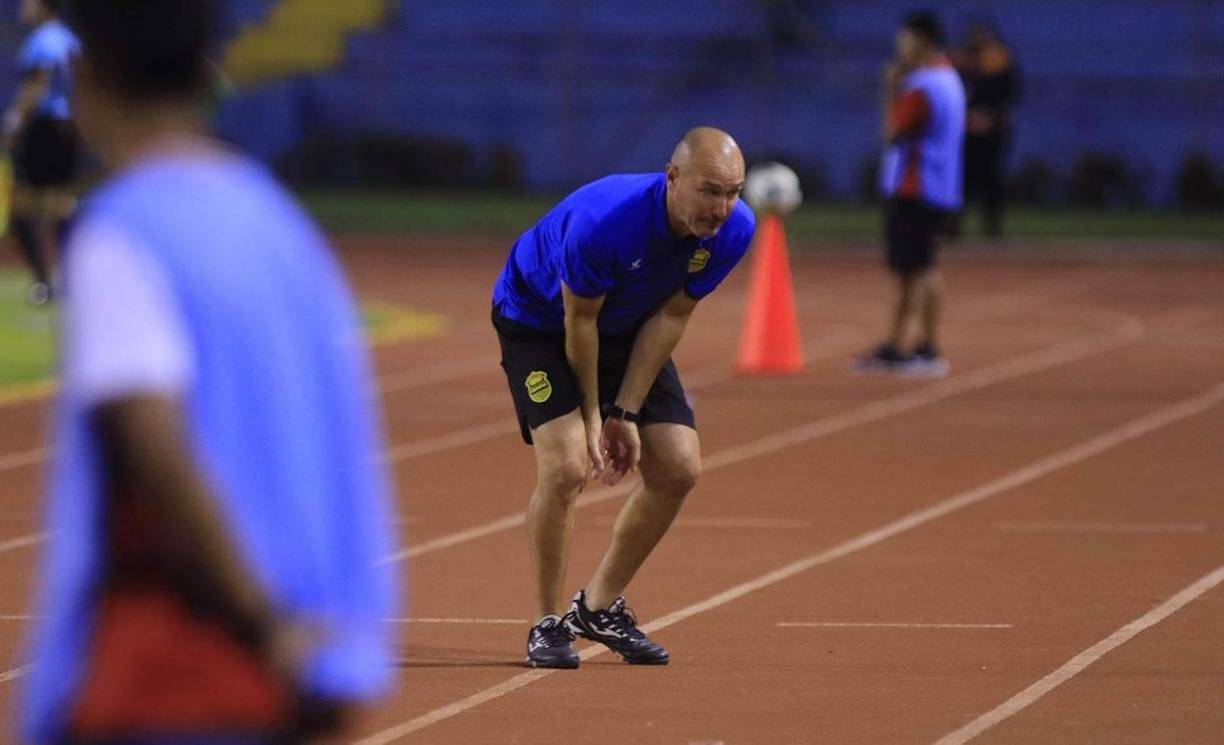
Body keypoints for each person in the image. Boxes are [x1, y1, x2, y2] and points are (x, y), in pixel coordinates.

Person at [20, 1, 399, 743]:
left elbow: (153, 440)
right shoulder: (282, 227)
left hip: (167, 672)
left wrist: (264, 623)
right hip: (298, 673)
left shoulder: (123, 231)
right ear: (207, 75)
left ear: (89, 75)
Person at [491, 127, 754, 669]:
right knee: (566, 466)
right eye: (710, 191)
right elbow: (579, 320)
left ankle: (598, 607)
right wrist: (593, 417)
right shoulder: (605, 222)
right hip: (540, 320)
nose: (722, 207)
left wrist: (626, 411)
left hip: (628, 323)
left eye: (733, 191)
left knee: (679, 467)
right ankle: (546, 625)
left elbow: (673, 315)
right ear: (673, 178)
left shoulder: (733, 230)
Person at [855, 10, 965, 377]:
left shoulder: (920, 84)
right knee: (922, 266)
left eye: (904, 39)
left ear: (920, 40)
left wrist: (890, 88)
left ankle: (920, 348)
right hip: (940, 185)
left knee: (916, 270)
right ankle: (904, 344)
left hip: (915, 186)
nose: (899, 46)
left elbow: (891, 131)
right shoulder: (950, 79)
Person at [2, 0, 80, 304]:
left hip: (42, 125)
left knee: (22, 204)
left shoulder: (42, 40)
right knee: (61, 201)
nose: (23, 6)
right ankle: (68, 277)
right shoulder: (69, 38)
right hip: (68, 123)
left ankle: (44, 281)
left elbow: (38, 82)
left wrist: (14, 120)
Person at [957, 20, 1020, 238]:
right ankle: (953, 225)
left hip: (992, 130)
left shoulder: (1000, 61)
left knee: (990, 178)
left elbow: (1008, 97)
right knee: (963, 178)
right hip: (967, 129)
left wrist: (991, 118)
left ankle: (992, 226)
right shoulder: (965, 62)